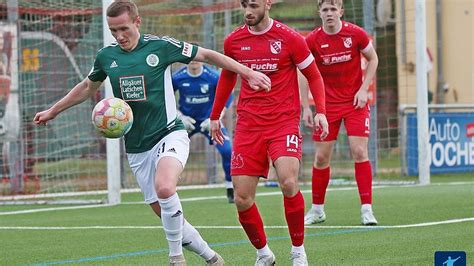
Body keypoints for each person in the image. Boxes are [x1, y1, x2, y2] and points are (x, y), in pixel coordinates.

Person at [33, 1, 270, 265]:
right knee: (167, 213)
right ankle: (211, 257)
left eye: (124, 28)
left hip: (169, 134)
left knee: (166, 188)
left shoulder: (161, 46)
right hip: (136, 147)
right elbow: (88, 86)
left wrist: (247, 72)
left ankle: (175, 258)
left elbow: (207, 55)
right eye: (113, 31)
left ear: (137, 22)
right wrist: (54, 110)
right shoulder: (106, 56)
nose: (119, 36)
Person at [210, 0, 328, 265]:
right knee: (241, 198)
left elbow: (314, 75)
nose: (247, 11)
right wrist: (215, 115)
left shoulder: (290, 38)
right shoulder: (233, 41)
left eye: (253, 5)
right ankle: (264, 253)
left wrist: (319, 110)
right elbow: (227, 77)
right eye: (244, 5)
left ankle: (298, 251)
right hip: (248, 125)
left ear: (267, 3)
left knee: (288, 181)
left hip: (283, 121)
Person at [301, 0, 379, 226]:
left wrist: (364, 90)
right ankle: (317, 210)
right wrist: (306, 106)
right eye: (325, 10)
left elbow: (373, 59)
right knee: (321, 157)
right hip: (327, 107)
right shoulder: (312, 40)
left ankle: (366, 210)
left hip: (355, 103)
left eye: (333, 9)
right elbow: (302, 72)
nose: (329, 13)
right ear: (320, 13)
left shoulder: (356, 34)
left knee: (359, 151)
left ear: (341, 11)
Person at [172, 60, 235, 203]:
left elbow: (228, 97)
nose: (194, 61)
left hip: (209, 122)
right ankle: (167, 190)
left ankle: (231, 189)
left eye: (197, 58)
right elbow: (165, 98)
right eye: (190, 58)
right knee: (170, 152)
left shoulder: (212, 76)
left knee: (227, 151)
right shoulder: (177, 77)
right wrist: (180, 116)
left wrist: (216, 117)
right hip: (187, 123)